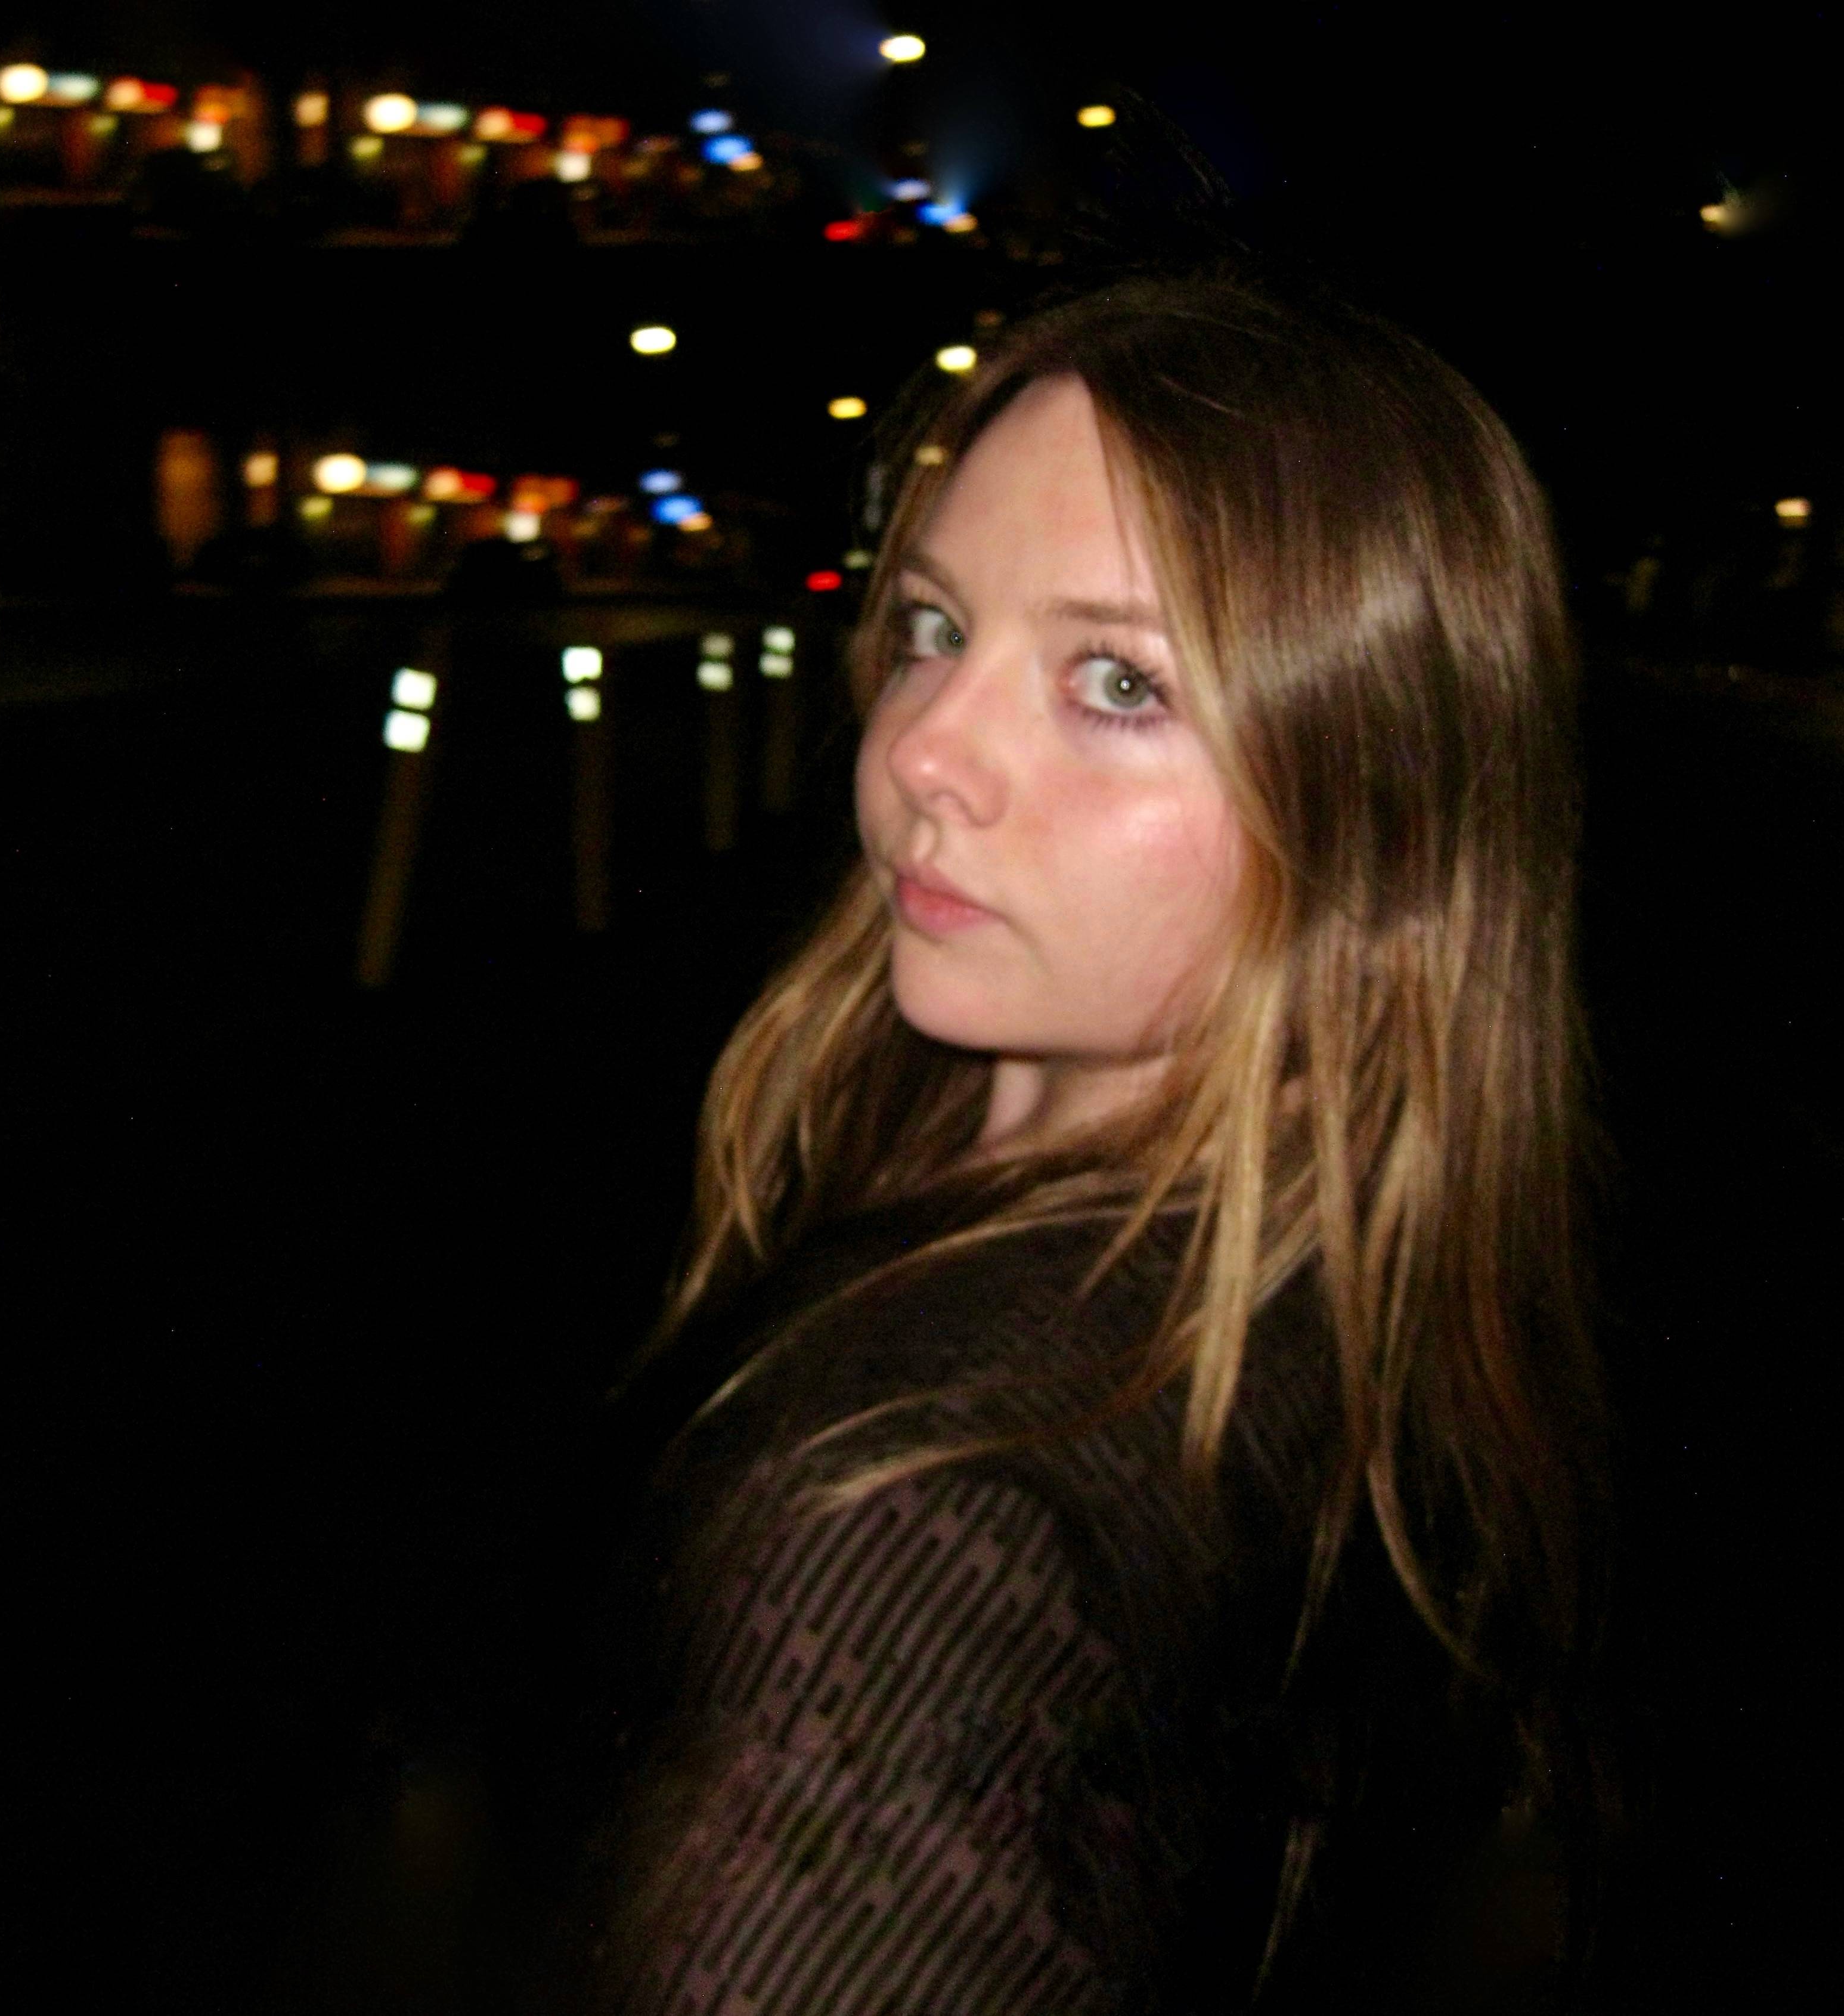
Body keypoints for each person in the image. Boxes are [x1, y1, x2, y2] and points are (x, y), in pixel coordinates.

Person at [575, 268, 1609, 2014]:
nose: (928, 750)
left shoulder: (924, 1515)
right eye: (933, 627)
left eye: (1119, 682)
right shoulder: (1369, 1285)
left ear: (1381, 806)